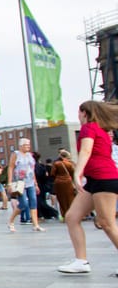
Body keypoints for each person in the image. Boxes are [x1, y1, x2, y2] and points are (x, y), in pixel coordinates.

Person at [58, 101, 118, 274]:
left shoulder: (89, 127)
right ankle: (81, 261)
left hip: (104, 179)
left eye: (78, 112)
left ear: (84, 112)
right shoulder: (103, 131)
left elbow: (86, 151)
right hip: (95, 180)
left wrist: (77, 173)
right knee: (72, 217)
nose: (77, 115)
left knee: (107, 223)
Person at [7, 138, 44, 232]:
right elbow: (11, 168)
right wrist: (10, 182)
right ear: (21, 146)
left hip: (30, 181)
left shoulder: (30, 155)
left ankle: (35, 224)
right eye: (26, 145)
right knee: (23, 203)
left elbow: (32, 170)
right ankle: (11, 221)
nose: (28, 146)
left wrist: (35, 183)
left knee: (33, 201)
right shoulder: (16, 154)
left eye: (29, 144)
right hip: (20, 182)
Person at [51, 150, 76, 217]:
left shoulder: (56, 164)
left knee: (61, 199)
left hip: (58, 182)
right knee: (70, 198)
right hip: (68, 182)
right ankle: (71, 214)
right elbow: (73, 173)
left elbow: (52, 173)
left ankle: (64, 214)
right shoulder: (70, 164)